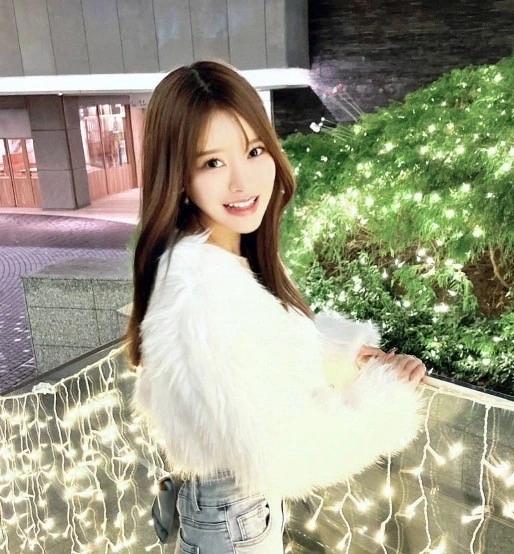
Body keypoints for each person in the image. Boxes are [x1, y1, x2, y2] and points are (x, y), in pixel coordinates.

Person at [126, 59, 427, 554]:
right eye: (212, 163)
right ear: (179, 176)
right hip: (233, 516)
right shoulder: (201, 288)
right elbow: (285, 452)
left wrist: (345, 354)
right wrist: (386, 394)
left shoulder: (218, 255)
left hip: (232, 512)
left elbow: (258, 345)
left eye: (253, 150)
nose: (242, 182)